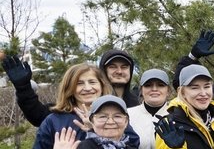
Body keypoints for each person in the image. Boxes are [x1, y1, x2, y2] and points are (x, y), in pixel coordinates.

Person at [3, 49, 139, 128]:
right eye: (112, 67)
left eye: (124, 67)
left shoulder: (138, 104)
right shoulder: (64, 114)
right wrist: (23, 88)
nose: (119, 71)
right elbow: (37, 115)